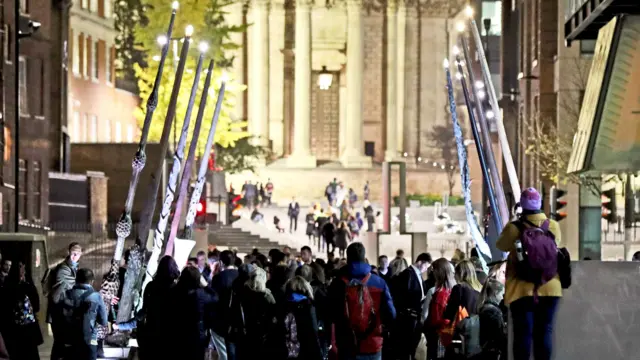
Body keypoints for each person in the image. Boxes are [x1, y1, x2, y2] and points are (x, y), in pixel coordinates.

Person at [496, 188, 562, 360]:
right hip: (550, 287)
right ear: (539, 204)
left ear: (522, 206)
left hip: (521, 290)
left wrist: (513, 221)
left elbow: (500, 245)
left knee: (523, 334)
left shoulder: (514, 228)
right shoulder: (553, 226)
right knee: (544, 331)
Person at [327, 242, 396, 360]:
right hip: (372, 343)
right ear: (364, 258)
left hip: (346, 344)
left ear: (347, 258)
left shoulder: (337, 283)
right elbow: (391, 314)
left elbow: (330, 314)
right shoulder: (379, 282)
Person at [390, 253, 432, 360]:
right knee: (407, 348)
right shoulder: (408, 274)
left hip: (415, 316)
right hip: (408, 318)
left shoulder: (417, 275)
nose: (426, 269)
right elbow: (404, 297)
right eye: (426, 266)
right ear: (420, 262)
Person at [1, 260, 43, 360]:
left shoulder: (7, 287)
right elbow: (36, 307)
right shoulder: (25, 287)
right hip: (23, 330)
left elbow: (36, 306)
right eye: (21, 268)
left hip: (17, 330)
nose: (23, 271)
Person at [47, 242, 82, 360]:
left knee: (62, 343)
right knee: (60, 342)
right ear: (69, 252)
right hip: (58, 312)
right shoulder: (63, 269)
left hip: (63, 311)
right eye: (73, 253)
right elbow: (77, 285)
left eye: (77, 254)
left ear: (80, 255)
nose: (74, 256)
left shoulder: (73, 268)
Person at [64, 268, 107, 360]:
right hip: (90, 340)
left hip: (70, 339)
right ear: (91, 281)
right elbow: (103, 321)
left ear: (76, 280)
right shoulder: (96, 297)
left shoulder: (66, 295)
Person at [277, 276, 323, 360]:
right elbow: (313, 331)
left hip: (286, 351)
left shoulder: (282, 305)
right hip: (307, 351)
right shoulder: (308, 305)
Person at [209, 251, 239, 360]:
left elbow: (214, 300)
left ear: (221, 262)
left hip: (221, 322)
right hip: (237, 321)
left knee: (224, 354)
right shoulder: (240, 275)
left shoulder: (218, 278)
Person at [424, 259, 455, 360]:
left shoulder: (439, 293)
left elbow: (435, 319)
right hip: (452, 334)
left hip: (439, 334)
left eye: (434, 270)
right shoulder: (455, 290)